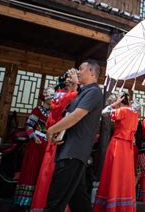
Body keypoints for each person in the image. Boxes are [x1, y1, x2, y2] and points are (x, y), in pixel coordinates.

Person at [45, 60, 104, 212]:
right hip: (71, 150)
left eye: (81, 69)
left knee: (55, 200)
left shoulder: (94, 92)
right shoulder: (82, 92)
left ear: (91, 72)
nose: (78, 72)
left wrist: (51, 130)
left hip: (73, 151)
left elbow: (76, 116)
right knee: (79, 200)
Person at [31, 69, 79, 211]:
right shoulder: (66, 96)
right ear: (67, 82)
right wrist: (77, 86)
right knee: (54, 175)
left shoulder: (60, 95)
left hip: (54, 138)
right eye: (72, 76)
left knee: (50, 173)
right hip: (59, 139)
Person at [94, 93, 139, 212]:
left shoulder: (122, 110)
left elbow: (104, 112)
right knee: (124, 175)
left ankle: (111, 202)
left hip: (118, 144)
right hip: (128, 146)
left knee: (113, 172)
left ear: (120, 100)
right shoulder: (135, 113)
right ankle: (124, 205)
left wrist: (113, 104)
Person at [14, 86, 54, 207]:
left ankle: (41, 199)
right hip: (36, 144)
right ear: (46, 98)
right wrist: (33, 137)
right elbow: (29, 126)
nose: (52, 99)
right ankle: (26, 200)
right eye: (50, 97)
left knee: (44, 171)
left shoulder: (53, 112)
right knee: (32, 168)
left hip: (48, 144)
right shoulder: (37, 110)